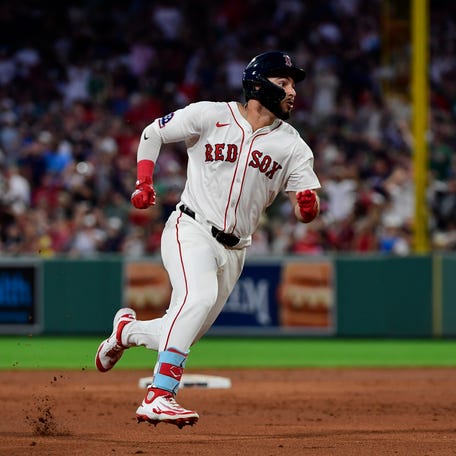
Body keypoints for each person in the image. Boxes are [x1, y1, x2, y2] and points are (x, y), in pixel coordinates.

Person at [95, 51, 321, 428]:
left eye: (293, 84)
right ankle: (159, 395)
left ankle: (126, 332)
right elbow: (153, 132)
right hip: (191, 228)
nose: (293, 92)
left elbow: (304, 210)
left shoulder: (294, 146)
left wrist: (307, 207)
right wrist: (144, 181)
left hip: (236, 250)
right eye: (284, 83)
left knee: (181, 328)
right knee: (196, 300)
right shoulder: (211, 115)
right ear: (259, 85)